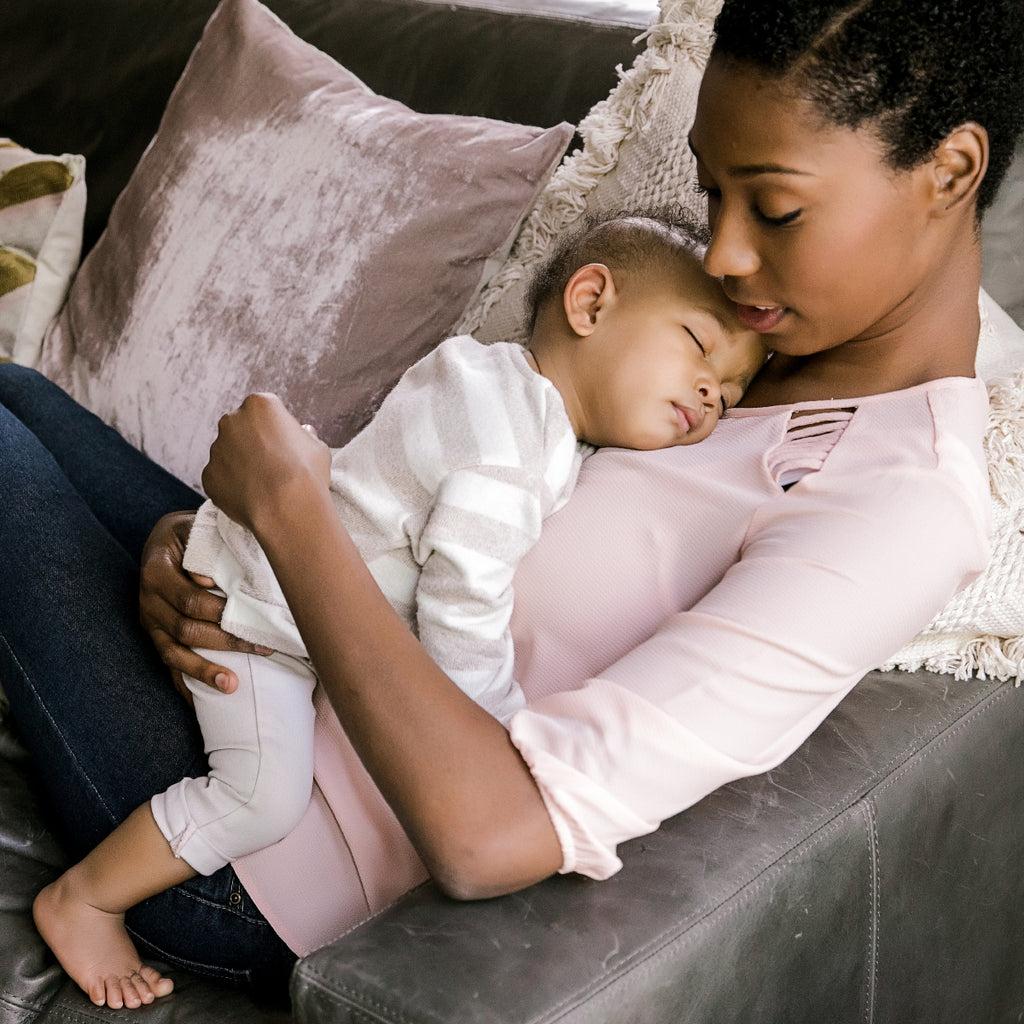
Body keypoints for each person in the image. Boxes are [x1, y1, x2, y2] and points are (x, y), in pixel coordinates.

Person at [1, 0, 1022, 1011]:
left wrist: (286, 518)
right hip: (268, 655)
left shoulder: (898, 507)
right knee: (23, 394)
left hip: (260, 850)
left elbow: (489, 839)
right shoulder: (755, 343)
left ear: (951, 171)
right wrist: (206, 548)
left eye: (776, 207)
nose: (720, 255)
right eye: (715, 197)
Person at [28, 213, 768, 1009]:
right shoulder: (511, 452)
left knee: (19, 398)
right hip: (258, 632)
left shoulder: (493, 379)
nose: (710, 396)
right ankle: (87, 898)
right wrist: (505, 739)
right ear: (589, 303)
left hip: (257, 570)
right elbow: (462, 610)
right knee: (259, 796)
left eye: (730, 396)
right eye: (698, 347)